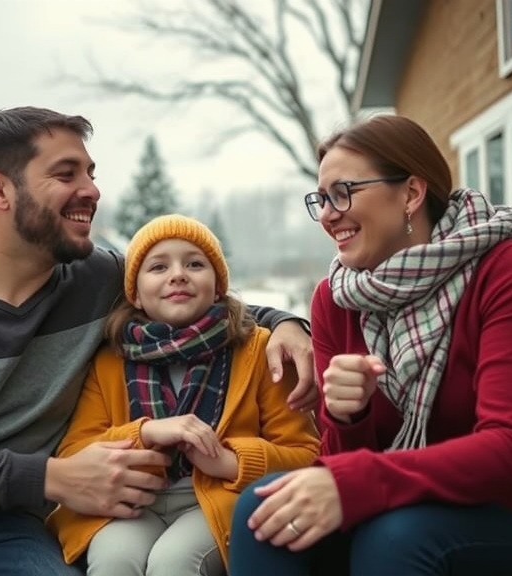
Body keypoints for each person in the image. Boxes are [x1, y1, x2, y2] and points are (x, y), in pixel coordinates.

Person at [0, 106, 317, 576]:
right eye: (66, 174)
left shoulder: (97, 280)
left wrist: (291, 323)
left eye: (91, 174)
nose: (92, 190)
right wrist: (55, 478)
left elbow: (200, 302)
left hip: (11, 524)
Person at [228, 114, 512, 576]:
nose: (327, 214)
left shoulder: (507, 270)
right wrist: (348, 416)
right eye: (320, 199)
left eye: (343, 193)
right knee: (263, 513)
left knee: (395, 537)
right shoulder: (336, 299)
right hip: (408, 502)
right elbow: (340, 460)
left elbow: (511, 453)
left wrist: (357, 483)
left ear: (411, 195)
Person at [46, 214, 320, 576]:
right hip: (133, 500)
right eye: (158, 267)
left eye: (195, 263)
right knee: (114, 559)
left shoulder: (260, 350)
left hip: (214, 499)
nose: (178, 274)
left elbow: (305, 454)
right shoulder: (110, 358)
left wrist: (229, 460)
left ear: (219, 286)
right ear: (136, 295)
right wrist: (144, 433)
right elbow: (75, 452)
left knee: (174, 563)